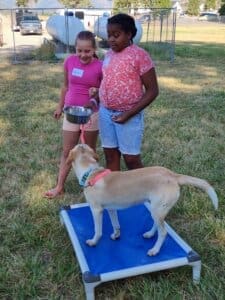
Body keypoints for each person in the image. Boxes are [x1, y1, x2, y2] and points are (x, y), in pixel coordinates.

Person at [44, 31, 102, 198]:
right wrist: (59, 106)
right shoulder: (69, 62)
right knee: (67, 151)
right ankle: (59, 186)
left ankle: (93, 186)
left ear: (93, 50)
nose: (83, 55)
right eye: (79, 50)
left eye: (87, 51)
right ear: (75, 49)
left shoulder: (100, 66)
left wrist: (96, 91)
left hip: (91, 113)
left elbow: (104, 91)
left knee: (89, 152)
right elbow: (65, 86)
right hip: (70, 113)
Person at [98, 13, 159, 171]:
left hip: (129, 115)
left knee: (131, 159)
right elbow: (108, 80)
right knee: (111, 155)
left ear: (129, 34)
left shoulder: (140, 56)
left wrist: (128, 114)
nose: (111, 39)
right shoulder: (109, 54)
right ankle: (115, 193)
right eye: (109, 35)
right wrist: (97, 93)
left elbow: (152, 91)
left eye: (116, 35)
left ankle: (142, 194)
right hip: (105, 113)